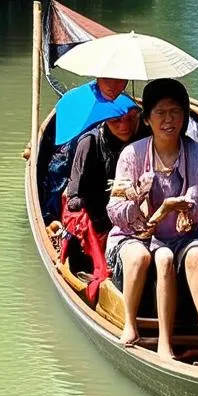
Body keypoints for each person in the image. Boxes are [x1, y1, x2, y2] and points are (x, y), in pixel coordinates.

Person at [106, 79, 198, 361]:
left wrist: (185, 213)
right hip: (133, 235)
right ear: (147, 119)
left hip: (181, 237)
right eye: (160, 113)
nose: (169, 120)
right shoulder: (132, 154)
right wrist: (137, 201)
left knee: (197, 256)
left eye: (175, 112)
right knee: (146, 257)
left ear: (185, 115)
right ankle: (132, 326)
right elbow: (115, 210)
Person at [60, 102, 142, 300]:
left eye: (131, 119)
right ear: (105, 119)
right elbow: (74, 199)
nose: (125, 126)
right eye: (116, 120)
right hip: (98, 217)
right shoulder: (89, 143)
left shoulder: (144, 140)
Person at [37, 76, 130, 223]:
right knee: (59, 170)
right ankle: (51, 216)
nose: (124, 126)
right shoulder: (86, 135)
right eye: (116, 120)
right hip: (73, 148)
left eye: (118, 81)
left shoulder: (126, 105)